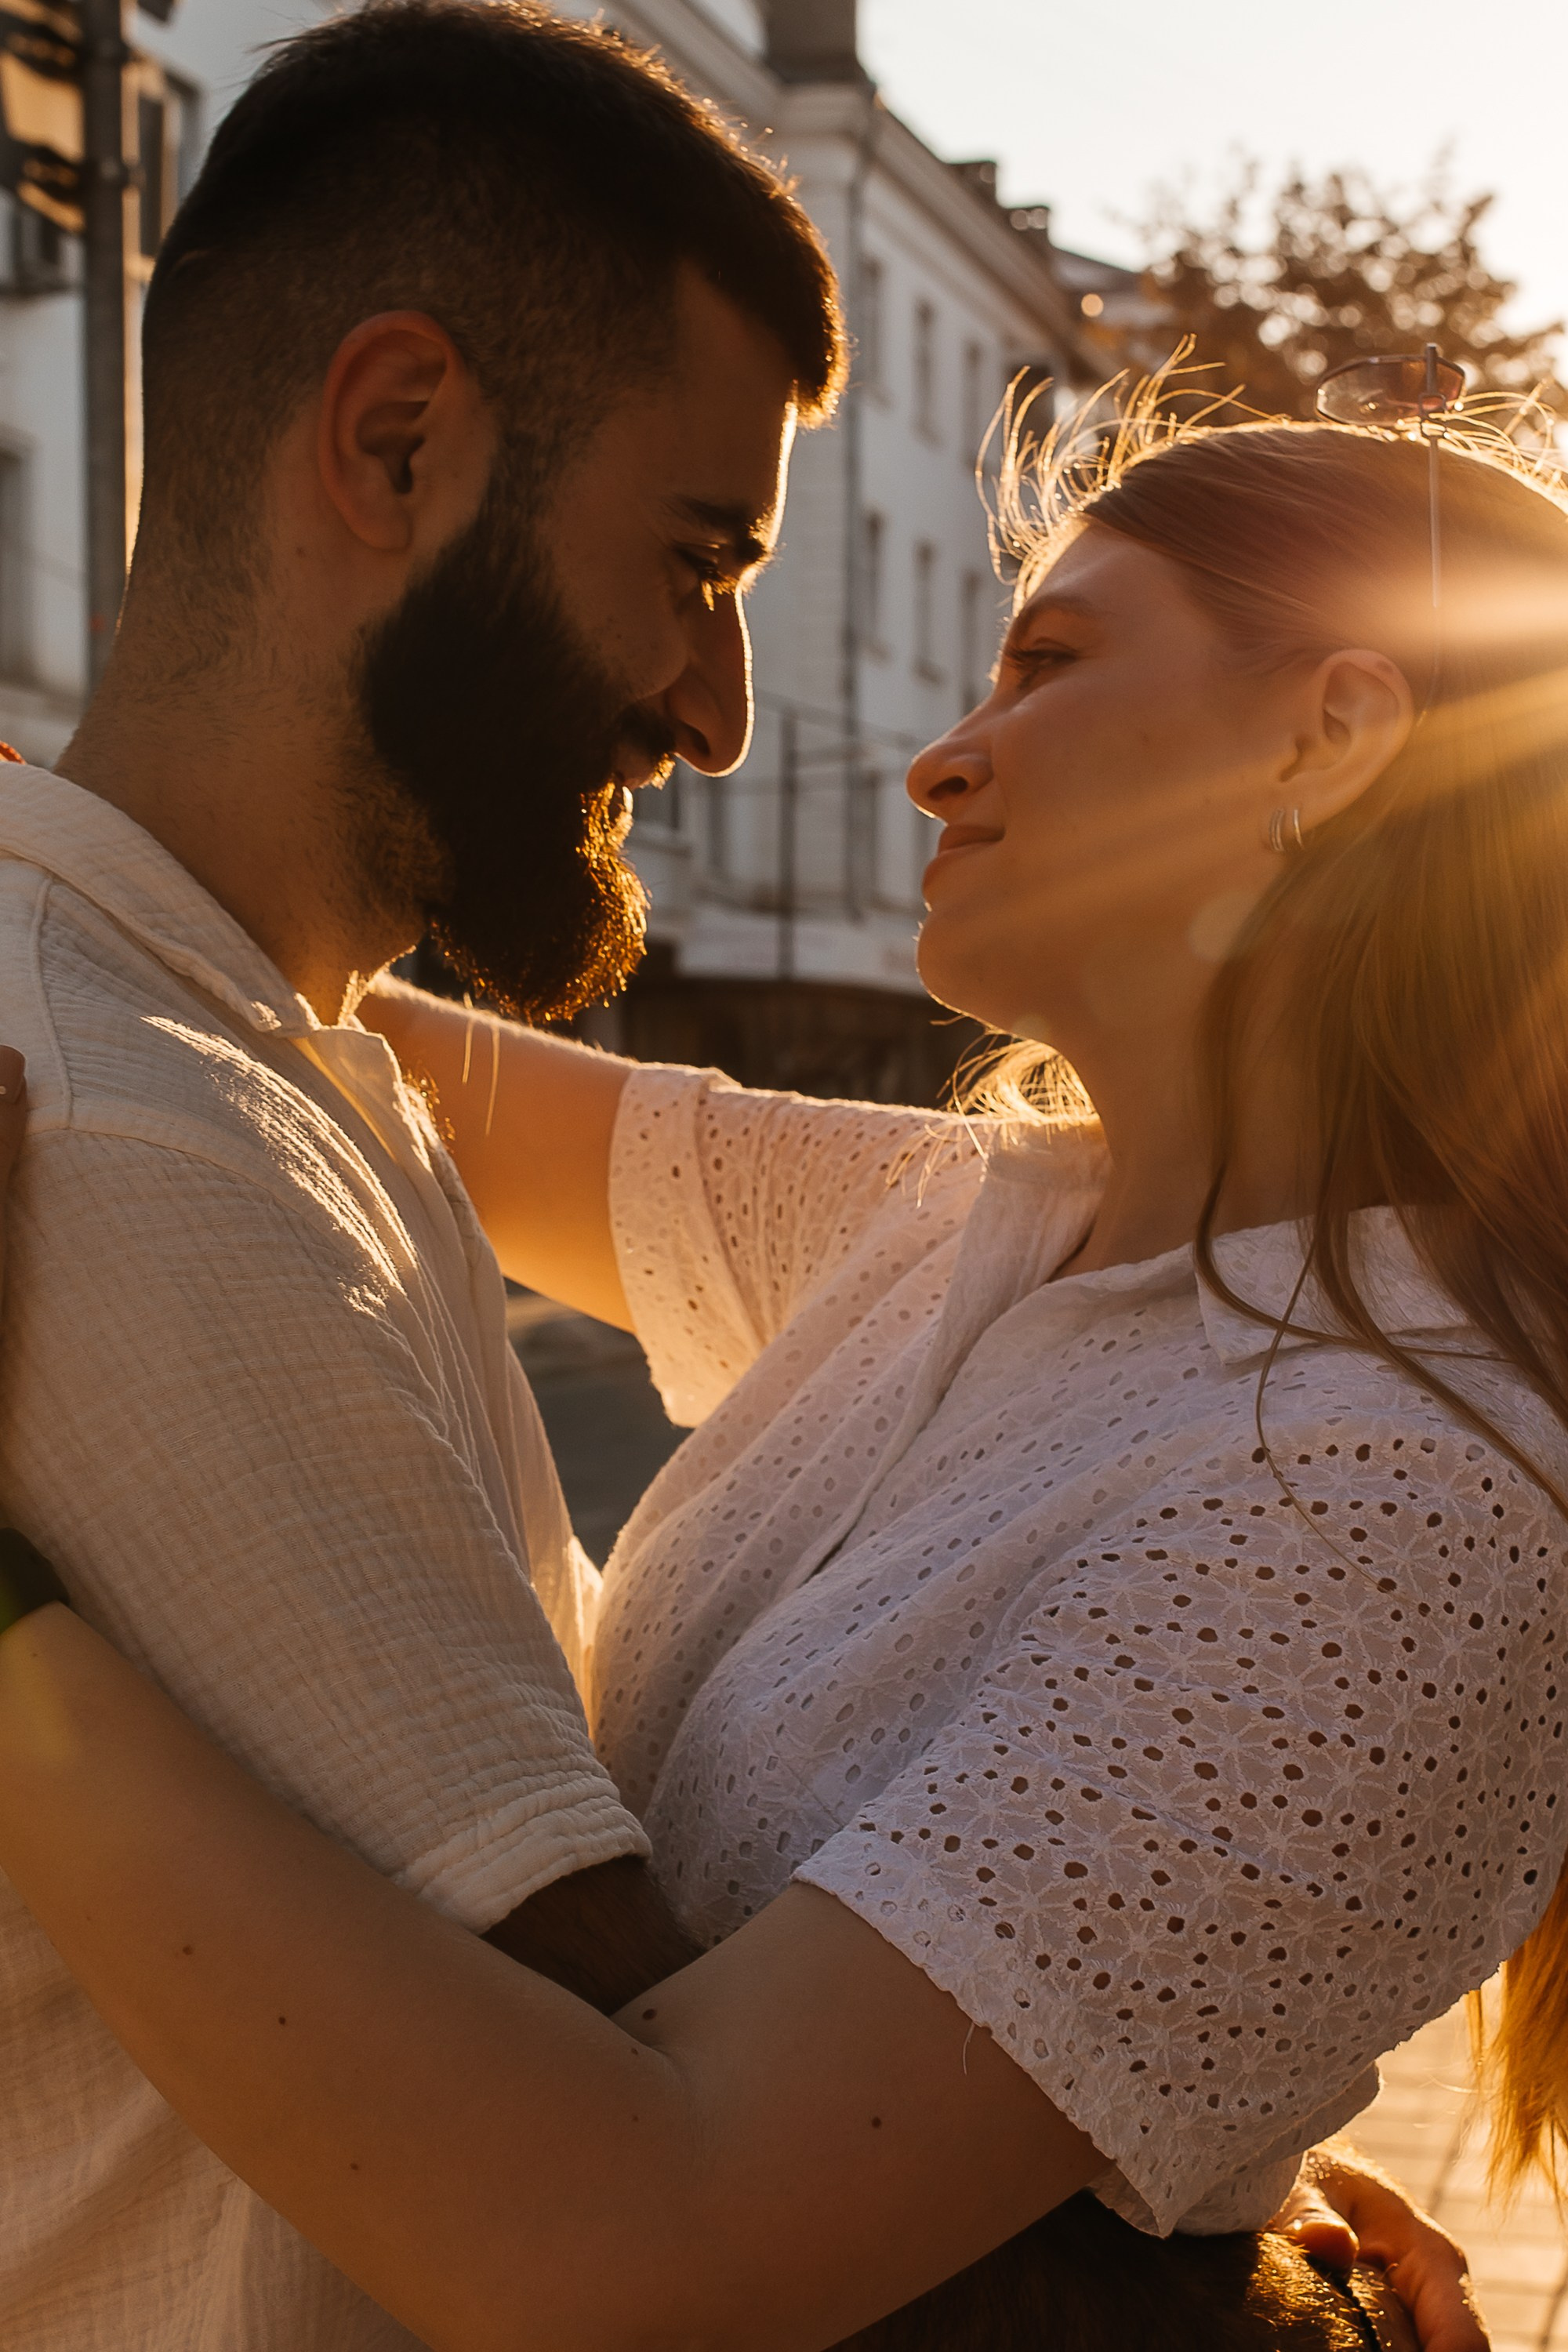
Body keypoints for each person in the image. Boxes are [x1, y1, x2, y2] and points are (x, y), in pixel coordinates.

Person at [2, 395, 1548, 2351]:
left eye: (1052, 663)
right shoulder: (955, 1221)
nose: (937, 760)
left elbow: (648, 2255)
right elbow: (297, 1005)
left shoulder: (1392, 1493)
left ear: (1330, 737)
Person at [0, 4, 840, 2343]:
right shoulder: (122, 1133)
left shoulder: (263, 1056)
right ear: (394, 441)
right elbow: (691, 2189)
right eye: (697, 558)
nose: (719, 708)